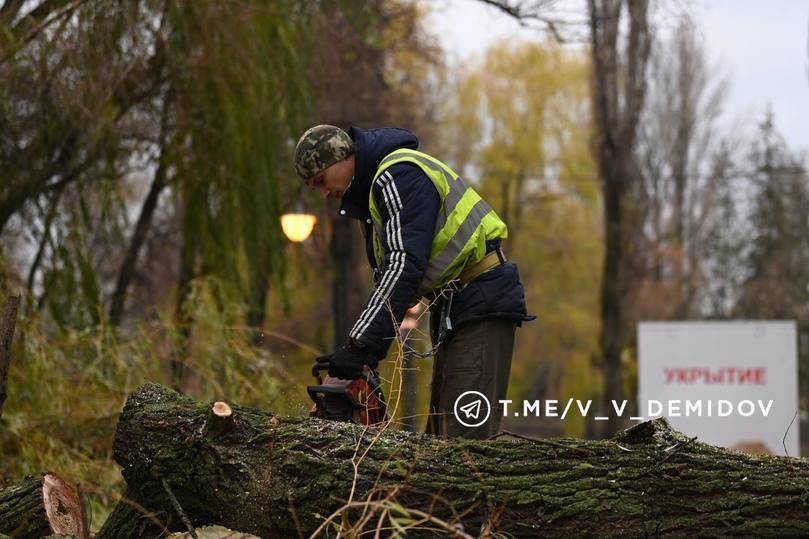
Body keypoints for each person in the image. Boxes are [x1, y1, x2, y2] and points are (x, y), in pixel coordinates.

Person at [293, 124, 534, 439]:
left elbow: (404, 266)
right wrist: (366, 354)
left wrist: (358, 345)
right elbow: (392, 283)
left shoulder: (396, 175)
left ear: (340, 157)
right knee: (441, 438)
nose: (324, 193)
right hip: (459, 306)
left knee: (464, 442)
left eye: (321, 181)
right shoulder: (378, 190)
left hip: (480, 300)